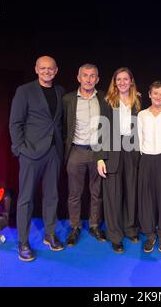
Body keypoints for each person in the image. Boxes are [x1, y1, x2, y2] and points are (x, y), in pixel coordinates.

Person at [9, 56, 65, 261]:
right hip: (30, 152)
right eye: (43, 68)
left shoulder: (60, 91)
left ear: (56, 70)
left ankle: (50, 235)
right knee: (26, 199)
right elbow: (15, 123)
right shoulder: (24, 91)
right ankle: (23, 242)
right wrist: (19, 149)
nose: (47, 71)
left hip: (53, 152)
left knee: (52, 196)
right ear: (36, 69)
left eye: (50, 68)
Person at [97, 67, 141, 253]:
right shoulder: (107, 101)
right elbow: (101, 129)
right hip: (112, 151)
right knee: (113, 196)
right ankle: (115, 236)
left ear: (131, 81)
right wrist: (100, 157)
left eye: (126, 79)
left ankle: (130, 229)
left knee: (131, 192)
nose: (122, 82)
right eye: (119, 79)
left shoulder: (138, 101)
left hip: (132, 151)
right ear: (114, 82)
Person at [62, 63, 107, 247]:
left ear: (97, 79)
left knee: (96, 193)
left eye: (92, 76)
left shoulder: (105, 98)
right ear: (78, 77)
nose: (88, 79)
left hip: (97, 151)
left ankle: (95, 225)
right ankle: (75, 227)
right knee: (74, 193)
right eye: (85, 75)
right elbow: (62, 125)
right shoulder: (68, 99)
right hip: (76, 151)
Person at [137, 81, 161, 253]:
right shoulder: (142, 115)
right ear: (150, 94)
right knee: (147, 197)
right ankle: (150, 234)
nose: (158, 96)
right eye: (155, 93)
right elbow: (138, 139)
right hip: (147, 159)